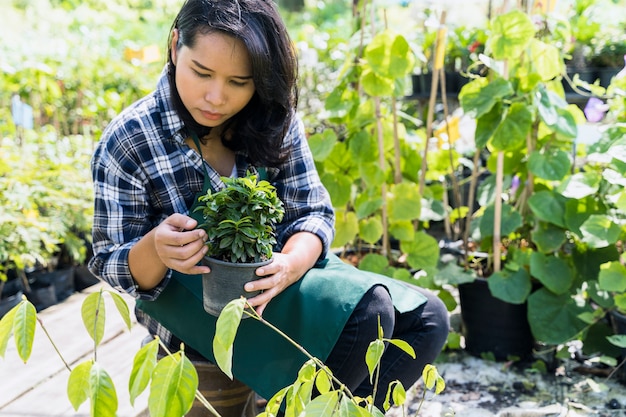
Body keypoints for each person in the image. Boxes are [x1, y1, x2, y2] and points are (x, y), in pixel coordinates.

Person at [89, 0, 449, 413]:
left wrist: (289, 265)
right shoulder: (130, 140)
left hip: (275, 282)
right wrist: (155, 247)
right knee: (372, 314)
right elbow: (109, 261)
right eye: (201, 73)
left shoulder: (273, 118)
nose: (215, 97)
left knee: (428, 318)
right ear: (175, 47)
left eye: (239, 82)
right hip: (197, 317)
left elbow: (312, 212)